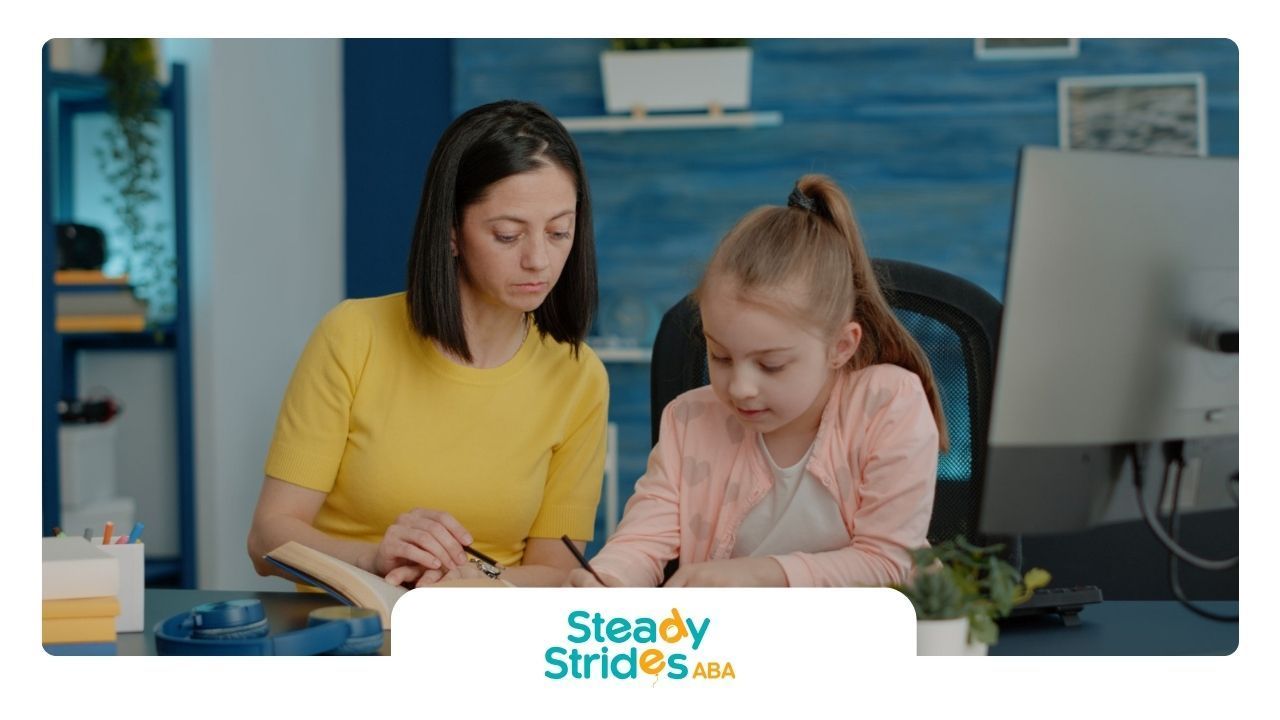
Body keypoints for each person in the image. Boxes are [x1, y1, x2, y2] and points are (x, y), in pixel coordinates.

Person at [247, 100, 608, 588]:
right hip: (346, 629)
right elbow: (267, 539)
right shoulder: (354, 336)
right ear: (452, 232)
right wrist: (374, 557)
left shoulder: (579, 376)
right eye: (507, 235)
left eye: (559, 231)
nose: (539, 260)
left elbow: (558, 571)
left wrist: (479, 586)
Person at [567, 174, 946, 588]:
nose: (740, 387)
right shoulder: (688, 421)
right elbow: (641, 541)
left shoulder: (888, 404)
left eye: (771, 365)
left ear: (841, 346)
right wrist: (608, 579)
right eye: (721, 356)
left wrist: (759, 576)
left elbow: (890, 563)